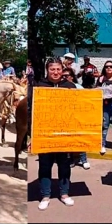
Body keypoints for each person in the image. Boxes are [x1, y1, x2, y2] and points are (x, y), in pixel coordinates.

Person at [35, 58, 77, 210]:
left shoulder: (70, 86)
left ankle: (64, 194)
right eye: (52, 69)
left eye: (58, 69)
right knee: (45, 165)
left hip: (64, 133)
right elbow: (32, 111)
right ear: (47, 70)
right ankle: (45, 196)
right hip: (44, 134)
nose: (56, 72)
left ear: (62, 70)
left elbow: (78, 110)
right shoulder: (39, 86)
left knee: (64, 165)